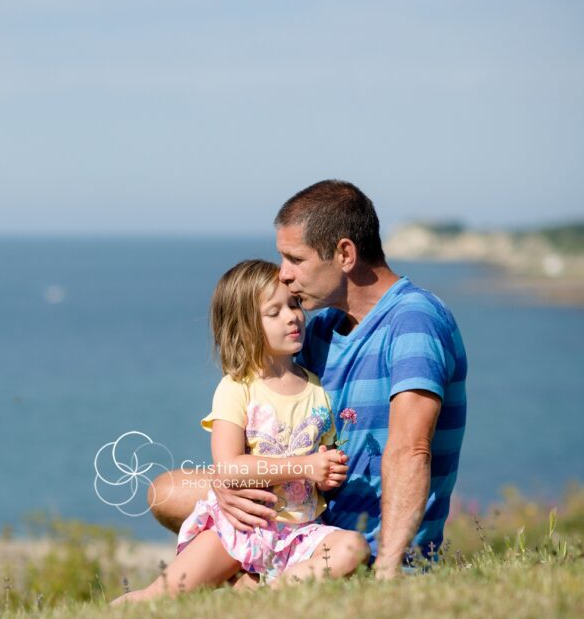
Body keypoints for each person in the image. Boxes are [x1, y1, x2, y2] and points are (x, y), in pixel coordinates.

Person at [148, 180, 467, 580]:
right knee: (165, 491)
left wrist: (389, 572)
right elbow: (269, 410)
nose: (284, 275)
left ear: (344, 254)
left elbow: (411, 450)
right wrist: (229, 486)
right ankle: (255, 574)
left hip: (356, 546)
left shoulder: (414, 322)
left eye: (294, 259)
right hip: (302, 517)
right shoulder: (322, 331)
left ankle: (255, 584)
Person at [112, 260, 369, 604]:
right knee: (158, 596)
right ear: (245, 328)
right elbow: (229, 467)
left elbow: (316, 470)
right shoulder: (237, 388)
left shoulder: (318, 390)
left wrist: (326, 473)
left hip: (301, 533)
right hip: (238, 529)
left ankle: (272, 595)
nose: (292, 317)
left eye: (293, 305)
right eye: (273, 312)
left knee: (354, 547)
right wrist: (305, 466)